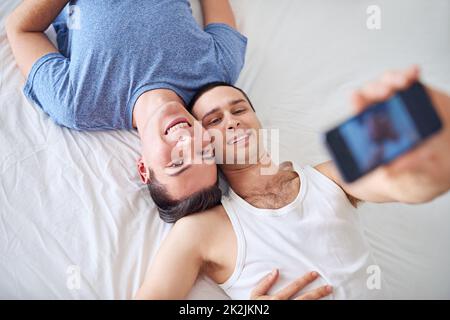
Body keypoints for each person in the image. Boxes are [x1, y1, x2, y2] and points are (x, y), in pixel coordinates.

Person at [135, 66, 450, 300]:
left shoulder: (329, 178)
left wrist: (435, 162)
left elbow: (403, 187)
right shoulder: (203, 229)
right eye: (214, 121)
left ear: (258, 121)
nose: (232, 121)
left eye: (239, 109)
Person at [5, 0, 247, 218]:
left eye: (176, 163)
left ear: (143, 168)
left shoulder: (78, 103)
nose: (186, 141)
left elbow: (21, 29)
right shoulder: (218, 69)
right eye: (204, 153)